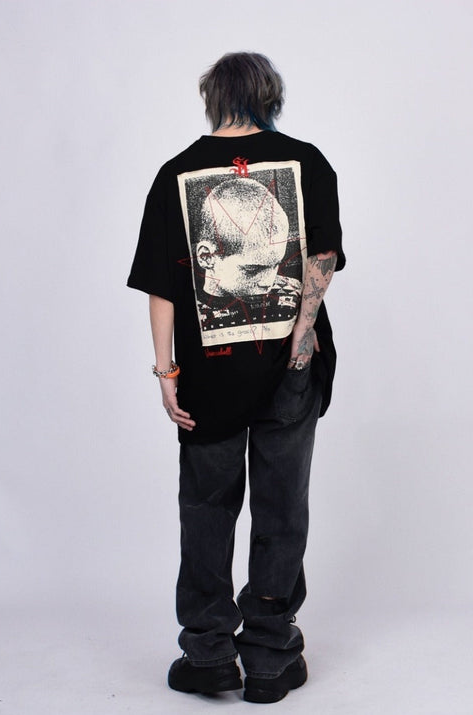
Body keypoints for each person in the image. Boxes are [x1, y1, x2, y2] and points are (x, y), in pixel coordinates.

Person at [127, 51, 346, 704]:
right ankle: (271, 659)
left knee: (206, 508)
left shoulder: (175, 174)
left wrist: (166, 370)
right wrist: (301, 337)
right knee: (282, 507)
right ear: (269, 96)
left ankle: (208, 655)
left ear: (212, 98)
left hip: (208, 377)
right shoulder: (307, 161)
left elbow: (161, 286)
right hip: (290, 371)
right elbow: (322, 256)